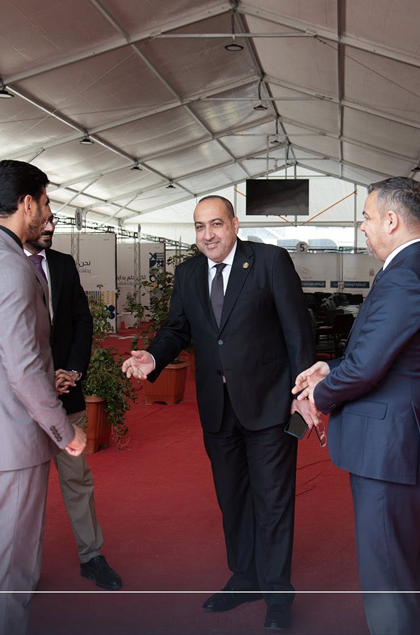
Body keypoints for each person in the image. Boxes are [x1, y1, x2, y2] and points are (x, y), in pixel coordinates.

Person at [121, 195, 315, 631]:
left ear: (234, 224)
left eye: (215, 224)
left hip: (269, 403)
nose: (207, 235)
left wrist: (302, 391)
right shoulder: (188, 273)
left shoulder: (269, 262)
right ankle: (245, 577)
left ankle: (277, 593)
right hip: (217, 408)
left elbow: (297, 330)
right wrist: (154, 356)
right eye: (199, 227)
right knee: (233, 499)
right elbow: (177, 328)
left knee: (273, 502)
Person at [293, 178, 420, 635]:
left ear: (392, 220)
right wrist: (328, 367)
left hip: (388, 444)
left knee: (388, 570)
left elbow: (367, 368)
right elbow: (380, 352)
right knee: (396, 563)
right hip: (395, 438)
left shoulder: (406, 274)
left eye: (366, 217)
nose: (362, 226)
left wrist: (318, 396)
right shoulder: (418, 268)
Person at [0, 160, 86, 635]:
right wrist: (65, 431)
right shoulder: (10, 267)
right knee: (10, 573)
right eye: (44, 203)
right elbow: (23, 368)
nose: (46, 214)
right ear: (27, 203)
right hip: (11, 439)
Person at [24, 215, 123, 590]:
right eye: (43, 220)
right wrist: (41, 379)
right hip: (23, 402)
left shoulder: (63, 264)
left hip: (68, 395)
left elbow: (83, 322)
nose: (50, 227)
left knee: (77, 479)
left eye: (53, 221)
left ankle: (91, 555)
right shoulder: (5, 263)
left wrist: (72, 371)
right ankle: (22, 568)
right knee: (25, 489)